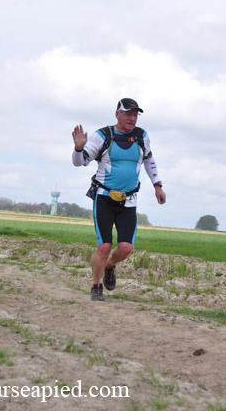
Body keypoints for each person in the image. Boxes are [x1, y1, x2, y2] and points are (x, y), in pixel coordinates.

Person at [72, 98, 166, 301]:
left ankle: (110, 265)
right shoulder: (102, 136)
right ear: (117, 114)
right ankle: (96, 286)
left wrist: (157, 185)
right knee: (104, 246)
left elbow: (149, 159)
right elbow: (79, 162)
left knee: (125, 248)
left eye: (135, 115)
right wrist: (78, 149)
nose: (132, 118)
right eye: (128, 114)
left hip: (128, 200)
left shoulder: (141, 136)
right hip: (104, 198)